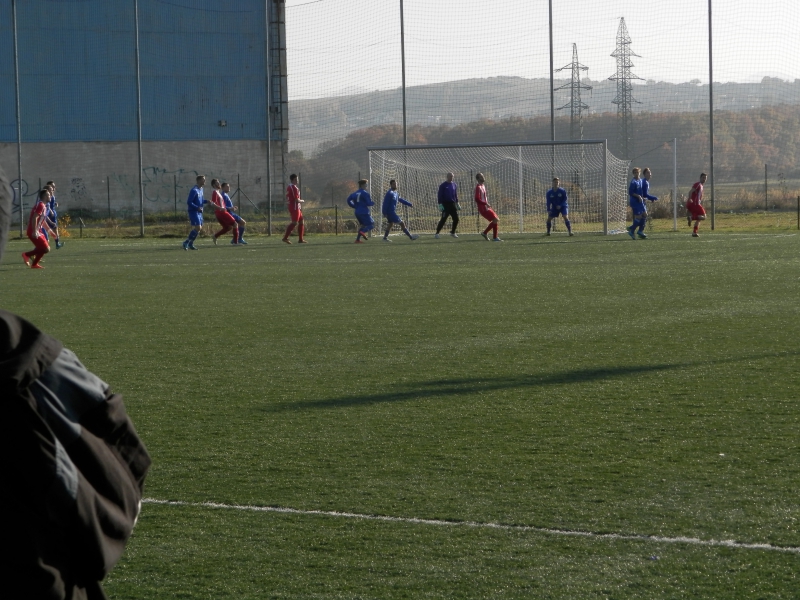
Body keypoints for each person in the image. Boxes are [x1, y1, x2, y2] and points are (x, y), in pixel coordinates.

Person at [0, 165, 151, 598]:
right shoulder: (28, 361)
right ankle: (32, 257)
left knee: (46, 241)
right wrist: (43, 227)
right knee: (43, 243)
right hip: (44, 576)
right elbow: (119, 468)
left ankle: (35, 257)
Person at [22, 188, 56, 269]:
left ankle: (34, 264)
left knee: (45, 249)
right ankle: (26, 255)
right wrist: (34, 231)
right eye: (48, 195)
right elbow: (35, 217)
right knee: (45, 248)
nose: (50, 196)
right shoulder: (41, 205)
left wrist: (50, 231)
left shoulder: (43, 206)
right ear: (44, 196)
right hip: (33, 230)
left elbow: (42, 221)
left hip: (38, 231)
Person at [628, 167, 659, 239]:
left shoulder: (640, 181)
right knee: (639, 217)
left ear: (639, 173)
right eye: (635, 173)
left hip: (640, 201)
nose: (636, 174)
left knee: (645, 215)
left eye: (637, 172)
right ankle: (632, 230)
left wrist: (643, 197)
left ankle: (639, 230)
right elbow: (631, 192)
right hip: (635, 201)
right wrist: (639, 196)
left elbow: (642, 192)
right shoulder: (633, 182)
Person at [209, 178, 239, 246]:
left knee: (228, 227)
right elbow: (212, 203)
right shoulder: (215, 192)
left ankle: (215, 236)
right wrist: (220, 208)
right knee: (235, 224)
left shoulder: (218, 193)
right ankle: (235, 242)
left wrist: (230, 208)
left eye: (219, 182)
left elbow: (222, 206)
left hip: (221, 212)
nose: (219, 184)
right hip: (221, 213)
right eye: (217, 183)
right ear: (214, 185)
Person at [474, 173, 503, 241]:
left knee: (495, 220)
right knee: (495, 219)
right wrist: (485, 203)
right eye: (481, 177)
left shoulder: (483, 186)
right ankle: (491, 236)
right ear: (478, 179)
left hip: (486, 207)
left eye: (483, 176)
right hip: (483, 208)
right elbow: (476, 199)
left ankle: (490, 235)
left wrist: (486, 204)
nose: (483, 177)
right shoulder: (478, 187)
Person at [183, 175, 209, 250]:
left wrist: (207, 201)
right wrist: (197, 207)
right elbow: (189, 202)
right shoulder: (194, 190)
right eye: (203, 179)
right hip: (193, 211)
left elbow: (200, 200)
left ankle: (191, 244)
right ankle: (186, 242)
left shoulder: (201, 189)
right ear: (198, 181)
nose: (204, 181)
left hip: (199, 212)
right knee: (198, 227)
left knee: (199, 228)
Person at [347, 179, 375, 243]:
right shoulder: (365, 193)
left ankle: (357, 240)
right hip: (364, 212)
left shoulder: (354, 193)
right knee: (372, 224)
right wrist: (373, 203)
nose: (367, 186)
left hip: (357, 212)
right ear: (362, 185)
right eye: (366, 184)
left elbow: (348, 200)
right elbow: (368, 203)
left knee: (363, 225)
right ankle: (363, 232)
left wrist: (354, 206)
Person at [283, 173, 307, 244]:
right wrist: (302, 201)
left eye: (297, 179)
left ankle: (300, 239)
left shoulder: (289, 187)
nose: (297, 181)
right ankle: (285, 238)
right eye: (296, 179)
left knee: (301, 221)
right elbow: (296, 200)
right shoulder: (293, 188)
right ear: (292, 180)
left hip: (296, 207)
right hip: (294, 207)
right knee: (294, 222)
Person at [435, 172, 460, 238]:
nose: (452, 177)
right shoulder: (443, 185)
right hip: (445, 205)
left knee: (456, 219)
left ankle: (453, 232)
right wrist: (440, 204)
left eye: (452, 176)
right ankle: (437, 233)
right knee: (443, 219)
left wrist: (457, 203)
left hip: (452, 204)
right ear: (447, 177)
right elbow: (440, 195)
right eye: (450, 176)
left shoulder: (454, 184)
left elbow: (455, 194)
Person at [684, 172, 708, 237]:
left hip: (695, 204)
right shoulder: (698, 184)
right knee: (704, 216)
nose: (704, 179)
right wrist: (690, 198)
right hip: (695, 204)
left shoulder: (701, 186)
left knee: (699, 218)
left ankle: (694, 232)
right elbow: (690, 191)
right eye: (703, 178)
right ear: (700, 178)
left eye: (705, 178)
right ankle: (691, 218)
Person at [45, 180, 64, 249]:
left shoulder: (52, 194)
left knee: (55, 228)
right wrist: (50, 211)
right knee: (47, 228)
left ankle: (57, 243)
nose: (54, 188)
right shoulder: (46, 195)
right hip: (48, 214)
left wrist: (55, 203)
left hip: (53, 213)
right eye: (52, 186)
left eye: (54, 186)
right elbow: (46, 204)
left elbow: (51, 203)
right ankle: (47, 243)